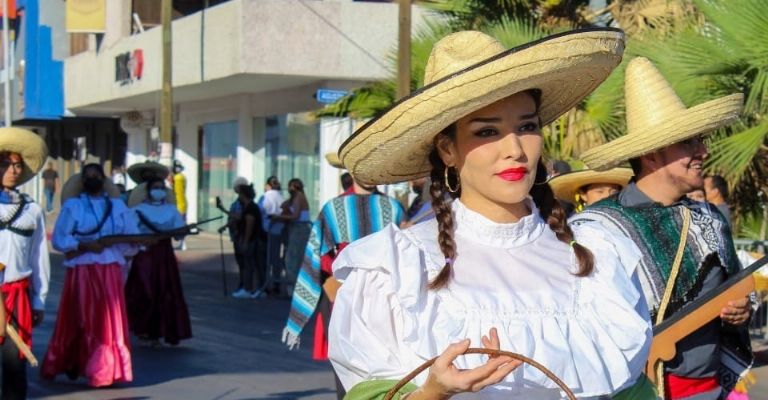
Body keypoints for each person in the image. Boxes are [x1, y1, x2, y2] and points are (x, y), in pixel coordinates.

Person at [326, 29, 654, 399]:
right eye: (487, 131)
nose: (514, 149)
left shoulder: (598, 259)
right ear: (448, 149)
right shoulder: (397, 269)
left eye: (527, 127)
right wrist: (434, 391)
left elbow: (630, 390)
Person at [573, 56, 752, 399]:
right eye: (689, 142)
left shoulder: (710, 219)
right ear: (653, 154)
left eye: (699, 140)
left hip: (710, 389)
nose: (703, 150)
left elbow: (738, 292)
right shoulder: (598, 231)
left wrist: (741, 312)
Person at [282, 166, 405, 399]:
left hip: (386, 300)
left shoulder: (394, 208)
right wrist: (299, 313)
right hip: (340, 297)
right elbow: (313, 258)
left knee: (389, 366)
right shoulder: (332, 208)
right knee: (347, 366)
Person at [41, 163, 140, 387]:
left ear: (104, 179)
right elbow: (59, 239)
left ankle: (105, 368)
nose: (93, 179)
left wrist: (132, 243)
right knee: (82, 316)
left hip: (110, 270)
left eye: (97, 175)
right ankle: (74, 362)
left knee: (109, 321)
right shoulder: (74, 206)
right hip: (83, 269)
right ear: (83, 181)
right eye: (88, 176)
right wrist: (84, 245)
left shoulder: (117, 206)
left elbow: (130, 237)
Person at [0, 128, 49, 400]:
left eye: (18, 165)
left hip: (18, 294)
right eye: (6, 164)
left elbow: (39, 257)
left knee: (15, 365)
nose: (13, 170)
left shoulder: (32, 210)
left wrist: (39, 300)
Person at [125, 177, 192, 346]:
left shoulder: (171, 209)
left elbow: (178, 233)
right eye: (155, 187)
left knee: (166, 291)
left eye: (162, 187)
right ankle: (144, 330)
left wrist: (182, 230)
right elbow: (130, 232)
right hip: (144, 254)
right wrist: (142, 241)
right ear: (147, 191)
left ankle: (165, 330)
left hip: (164, 255)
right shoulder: (138, 210)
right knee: (144, 290)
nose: (159, 190)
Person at [271, 178, 311, 293]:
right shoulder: (296, 197)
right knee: (292, 258)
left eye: (290, 187)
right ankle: (293, 286)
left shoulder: (299, 196)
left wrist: (278, 217)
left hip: (299, 229)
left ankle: (294, 286)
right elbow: (284, 205)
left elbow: (295, 216)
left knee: (292, 259)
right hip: (295, 229)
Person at [216, 177, 250, 295]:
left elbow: (237, 217)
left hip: (241, 235)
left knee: (244, 262)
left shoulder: (243, 204)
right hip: (236, 235)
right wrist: (226, 226)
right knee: (240, 261)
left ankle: (245, 286)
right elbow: (233, 219)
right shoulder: (237, 202)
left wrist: (224, 210)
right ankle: (242, 284)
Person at [233, 184, 267, 298]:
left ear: (243, 195)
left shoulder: (250, 208)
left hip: (254, 240)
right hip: (253, 239)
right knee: (253, 264)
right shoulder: (248, 207)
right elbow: (238, 217)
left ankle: (249, 288)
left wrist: (245, 241)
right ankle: (254, 288)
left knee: (250, 264)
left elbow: (249, 226)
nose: (239, 196)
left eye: (240, 194)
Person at [548, 168, 633, 212]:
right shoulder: (574, 226)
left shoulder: (627, 222)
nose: (607, 196)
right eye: (600, 191)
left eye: (613, 192)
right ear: (583, 195)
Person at [259, 176, 285, 294]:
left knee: (267, 257)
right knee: (276, 257)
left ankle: (266, 283)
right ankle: (276, 281)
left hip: (267, 229)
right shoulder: (281, 197)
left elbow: (261, 210)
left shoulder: (266, 196)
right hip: (280, 229)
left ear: (268, 185)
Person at [172, 161, 188, 251]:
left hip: (179, 204)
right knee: (182, 223)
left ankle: (182, 242)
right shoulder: (181, 177)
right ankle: (182, 242)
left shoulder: (178, 178)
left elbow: (177, 192)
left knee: (180, 224)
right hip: (182, 203)